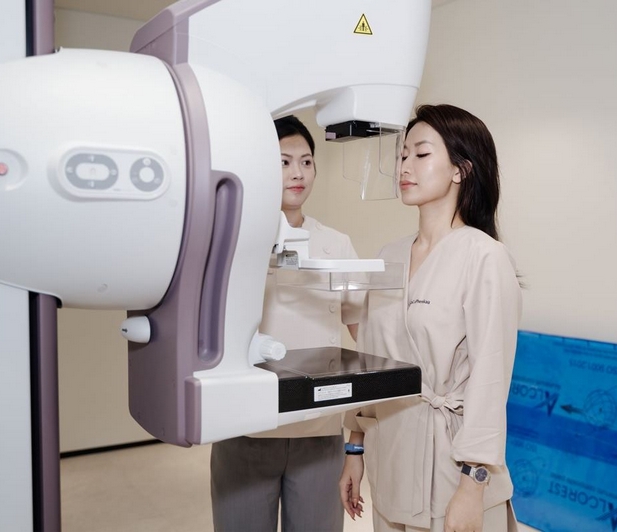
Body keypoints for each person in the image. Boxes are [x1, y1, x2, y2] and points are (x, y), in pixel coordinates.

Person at [338, 104, 523, 532]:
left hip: (454, 471)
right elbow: (371, 363)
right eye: (403, 155)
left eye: (421, 154)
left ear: (461, 169)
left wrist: (472, 486)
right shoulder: (388, 257)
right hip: (391, 458)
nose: (404, 166)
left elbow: (490, 380)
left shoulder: (484, 256)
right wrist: (355, 448)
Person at [211, 115, 361, 532]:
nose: (298, 173)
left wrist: (356, 441)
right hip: (245, 428)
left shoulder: (336, 245)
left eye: (306, 161)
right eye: (283, 162)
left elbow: (363, 334)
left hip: (320, 433)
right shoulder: (229, 241)